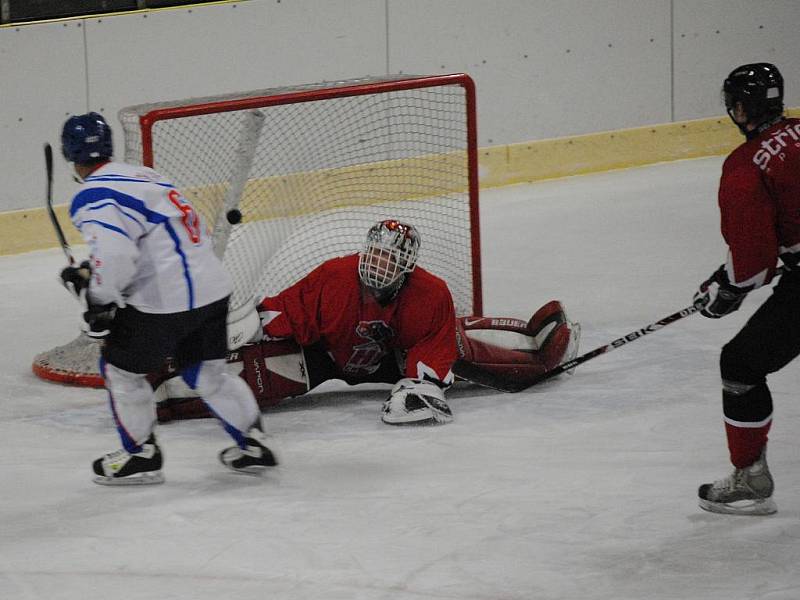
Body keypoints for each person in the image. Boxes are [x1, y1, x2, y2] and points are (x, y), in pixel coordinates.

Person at [154, 219, 581, 425]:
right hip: (326, 354)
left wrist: (423, 382)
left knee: (469, 355)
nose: (378, 266)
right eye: (374, 255)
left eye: (389, 259)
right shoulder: (335, 276)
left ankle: (542, 345)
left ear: (407, 265)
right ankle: (166, 394)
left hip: (389, 357)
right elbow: (288, 309)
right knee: (256, 381)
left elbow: (435, 341)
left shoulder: (430, 293)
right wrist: (251, 323)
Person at [59, 112, 276, 485]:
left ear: (72, 157)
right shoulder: (148, 176)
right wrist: (98, 280)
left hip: (163, 302)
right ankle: (251, 443)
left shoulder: (91, 195)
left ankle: (140, 455)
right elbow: (159, 239)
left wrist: (96, 296)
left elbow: (113, 255)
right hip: (212, 287)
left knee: (121, 371)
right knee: (207, 373)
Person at [693, 63, 800, 515]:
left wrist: (729, 290)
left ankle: (751, 477)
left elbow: (754, 256)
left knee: (740, 366)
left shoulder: (745, 165)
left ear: (739, 108)